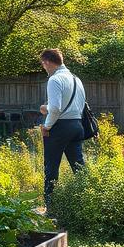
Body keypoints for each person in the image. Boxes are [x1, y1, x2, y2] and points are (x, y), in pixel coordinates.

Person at [38, 48, 86, 201]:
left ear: (47, 62)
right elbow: (80, 105)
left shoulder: (54, 80)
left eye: (43, 65)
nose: (43, 68)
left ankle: (50, 206)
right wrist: (49, 108)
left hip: (59, 127)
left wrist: (47, 126)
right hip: (77, 125)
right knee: (79, 167)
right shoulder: (76, 79)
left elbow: (56, 108)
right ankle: (87, 199)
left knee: (51, 166)